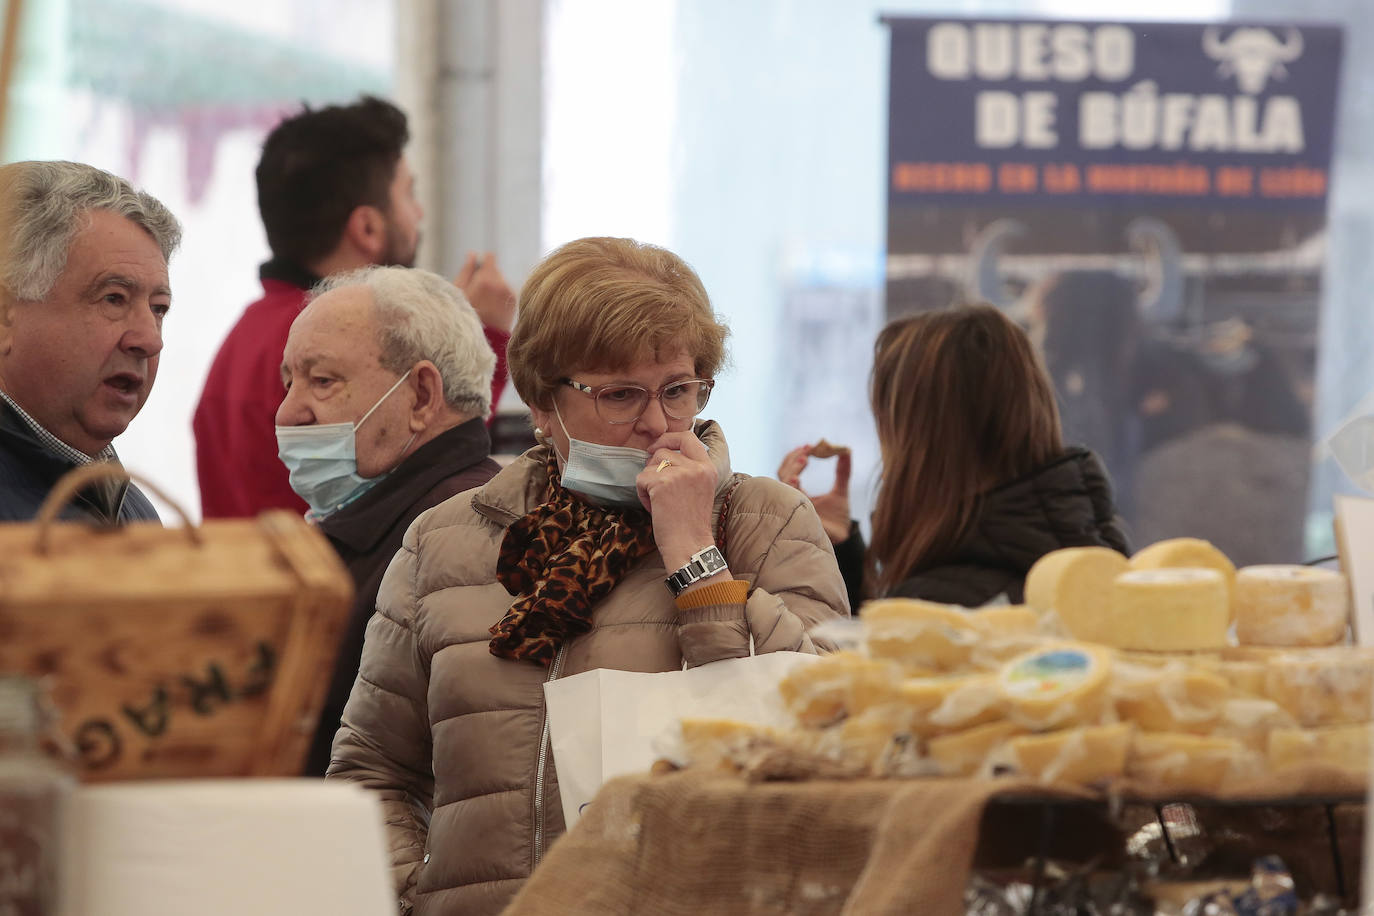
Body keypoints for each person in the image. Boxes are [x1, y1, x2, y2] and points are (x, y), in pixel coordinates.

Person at [327, 237, 849, 915]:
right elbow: (374, 771)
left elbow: (826, 745)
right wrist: (417, 894)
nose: (658, 423)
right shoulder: (445, 541)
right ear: (544, 403)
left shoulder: (766, 522)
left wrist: (696, 555)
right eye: (621, 395)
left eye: (679, 391)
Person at [194, 95, 516, 519]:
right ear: (367, 227)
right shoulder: (330, 341)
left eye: (322, 381)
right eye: (408, 194)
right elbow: (428, 481)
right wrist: (481, 341)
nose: (419, 213)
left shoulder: (241, 337)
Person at [275, 265, 501, 777]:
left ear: (421, 396)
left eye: (322, 380)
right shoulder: (374, 525)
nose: (288, 413)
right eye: (288, 382)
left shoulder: (461, 534)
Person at [780, 303, 1129, 608]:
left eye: (890, 431)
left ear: (924, 443)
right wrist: (843, 552)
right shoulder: (1092, 557)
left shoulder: (940, 608)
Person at [0, 160, 182, 522]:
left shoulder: (134, 510)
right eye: (113, 298)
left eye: (159, 309)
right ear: (5, 318)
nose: (149, 340)